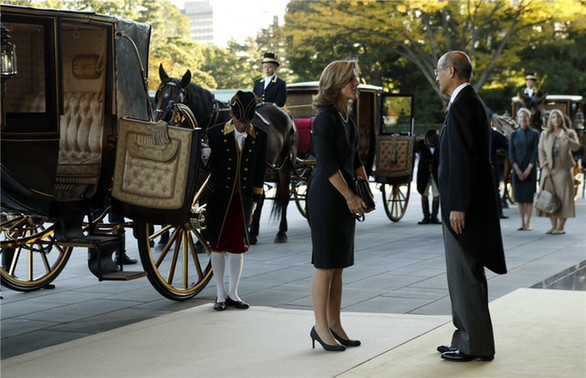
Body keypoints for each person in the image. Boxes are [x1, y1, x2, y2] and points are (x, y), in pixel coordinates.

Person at [435, 51, 507, 362]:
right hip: (463, 203)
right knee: (461, 274)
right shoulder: (466, 102)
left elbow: (465, 160)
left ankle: (472, 344)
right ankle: (465, 337)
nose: (437, 77)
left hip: (463, 207)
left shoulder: (464, 103)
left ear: (451, 71)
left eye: (438, 71)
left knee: (465, 273)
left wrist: (458, 206)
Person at [307, 59, 371, 352]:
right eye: (352, 79)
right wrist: (348, 196)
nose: (356, 83)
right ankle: (320, 327)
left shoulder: (347, 116)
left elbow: (355, 161)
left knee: (339, 266)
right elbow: (328, 163)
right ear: (336, 84)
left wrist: (365, 194)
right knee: (325, 265)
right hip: (327, 198)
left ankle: (335, 324)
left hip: (345, 198)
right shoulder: (324, 118)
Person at [205, 90, 268, 311]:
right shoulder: (213, 134)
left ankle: (233, 292)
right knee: (217, 245)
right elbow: (205, 168)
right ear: (231, 113)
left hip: (243, 199)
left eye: (247, 121)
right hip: (218, 198)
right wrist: (204, 156)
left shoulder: (260, 136)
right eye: (239, 120)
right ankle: (220, 294)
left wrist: (254, 203)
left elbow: (260, 171)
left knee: (237, 246)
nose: (242, 125)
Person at [536, 109, 581, 234]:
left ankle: (561, 227)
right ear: (550, 119)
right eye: (554, 117)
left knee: (564, 197)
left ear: (562, 119)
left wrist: (565, 137)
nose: (556, 119)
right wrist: (544, 166)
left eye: (558, 117)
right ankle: (553, 226)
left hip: (563, 168)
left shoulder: (569, 132)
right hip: (549, 168)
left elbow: (576, 147)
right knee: (550, 197)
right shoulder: (545, 134)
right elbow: (541, 151)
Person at [509, 107, 540, 230]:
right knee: (520, 198)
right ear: (517, 119)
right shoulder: (514, 134)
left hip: (530, 168)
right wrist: (517, 169)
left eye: (525, 117)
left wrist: (529, 169)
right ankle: (522, 222)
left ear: (529, 118)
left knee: (529, 197)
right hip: (517, 169)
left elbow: (535, 152)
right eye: (521, 117)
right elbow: (511, 153)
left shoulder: (534, 133)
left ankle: (529, 222)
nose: (523, 119)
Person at [415, 129, 441, 224]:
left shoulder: (440, 142)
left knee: (437, 193)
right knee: (423, 193)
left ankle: (434, 216)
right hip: (424, 171)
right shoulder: (421, 143)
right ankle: (426, 216)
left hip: (436, 172)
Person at [491, 128, 509, 218]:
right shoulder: (493, 134)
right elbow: (505, 145)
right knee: (495, 189)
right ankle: (498, 212)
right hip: (492, 166)